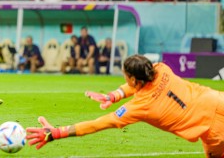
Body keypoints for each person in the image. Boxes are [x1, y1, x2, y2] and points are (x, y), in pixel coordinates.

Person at [26, 55, 224, 157]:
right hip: (217, 101)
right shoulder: (162, 69)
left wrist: (57, 133)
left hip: (213, 131)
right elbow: (138, 84)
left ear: (133, 80)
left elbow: (99, 123)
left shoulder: (140, 106)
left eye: (125, 77)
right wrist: (114, 95)